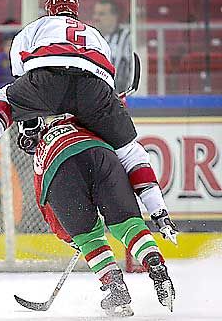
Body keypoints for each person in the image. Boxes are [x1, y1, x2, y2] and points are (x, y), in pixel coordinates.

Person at [0, 0, 177, 246]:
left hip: (48, 80)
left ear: (49, 9)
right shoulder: (95, 34)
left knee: (4, 96)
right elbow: (105, 82)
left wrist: (31, 122)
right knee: (131, 152)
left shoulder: (36, 27)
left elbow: (22, 78)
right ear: (76, 12)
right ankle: (160, 212)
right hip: (95, 89)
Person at [22, 114, 175, 316]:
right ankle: (156, 266)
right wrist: (158, 212)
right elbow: (136, 164)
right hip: (102, 154)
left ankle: (116, 289)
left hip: (59, 172)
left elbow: (47, 208)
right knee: (128, 225)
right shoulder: (88, 122)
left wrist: (72, 237)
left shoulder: (41, 157)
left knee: (89, 238)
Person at [92, 0, 132, 94]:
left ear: (114, 17)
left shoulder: (127, 38)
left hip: (121, 97)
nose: (96, 18)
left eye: (101, 14)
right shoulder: (91, 38)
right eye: (95, 13)